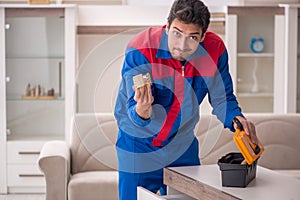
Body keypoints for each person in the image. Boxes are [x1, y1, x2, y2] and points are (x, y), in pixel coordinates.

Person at [114, 0, 258, 199]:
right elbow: (132, 107)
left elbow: (223, 98)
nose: (182, 45)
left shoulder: (214, 51)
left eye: (192, 37)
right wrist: (142, 111)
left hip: (182, 147)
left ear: (203, 36)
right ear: (167, 26)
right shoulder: (142, 48)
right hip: (138, 148)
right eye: (177, 33)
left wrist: (237, 120)